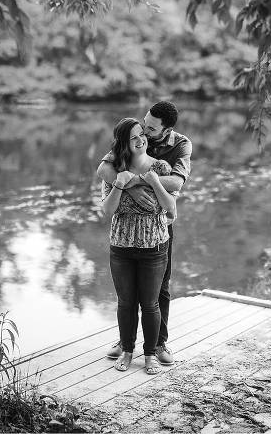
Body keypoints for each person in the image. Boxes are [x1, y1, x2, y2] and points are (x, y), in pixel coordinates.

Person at [96, 101, 192, 365]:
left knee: (159, 290)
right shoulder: (129, 139)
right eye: (143, 126)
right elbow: (104, 169)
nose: (144, 134)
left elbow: (176, 182)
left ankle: (157, 345)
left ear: (166, 129)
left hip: (158, 231)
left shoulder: (180, 146)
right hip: (124, 240)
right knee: (126, 300)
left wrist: (141, 181)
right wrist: (124, 182)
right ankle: (126, 343)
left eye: (149, 129)